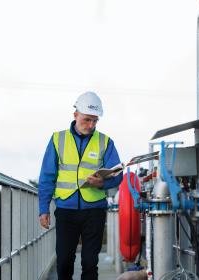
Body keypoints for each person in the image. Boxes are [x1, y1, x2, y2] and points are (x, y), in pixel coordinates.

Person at [38, 91, 123, 280]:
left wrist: (102, 182)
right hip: (66, 210)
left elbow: (118, 176)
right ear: (75, 115)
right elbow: (46, 177)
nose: (91, 125)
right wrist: (43, 209)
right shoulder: (57, 139)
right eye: (87, 120)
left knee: (90, 263)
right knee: (65, 261)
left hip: (94, 211)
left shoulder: (105, 142)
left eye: (95, 121)